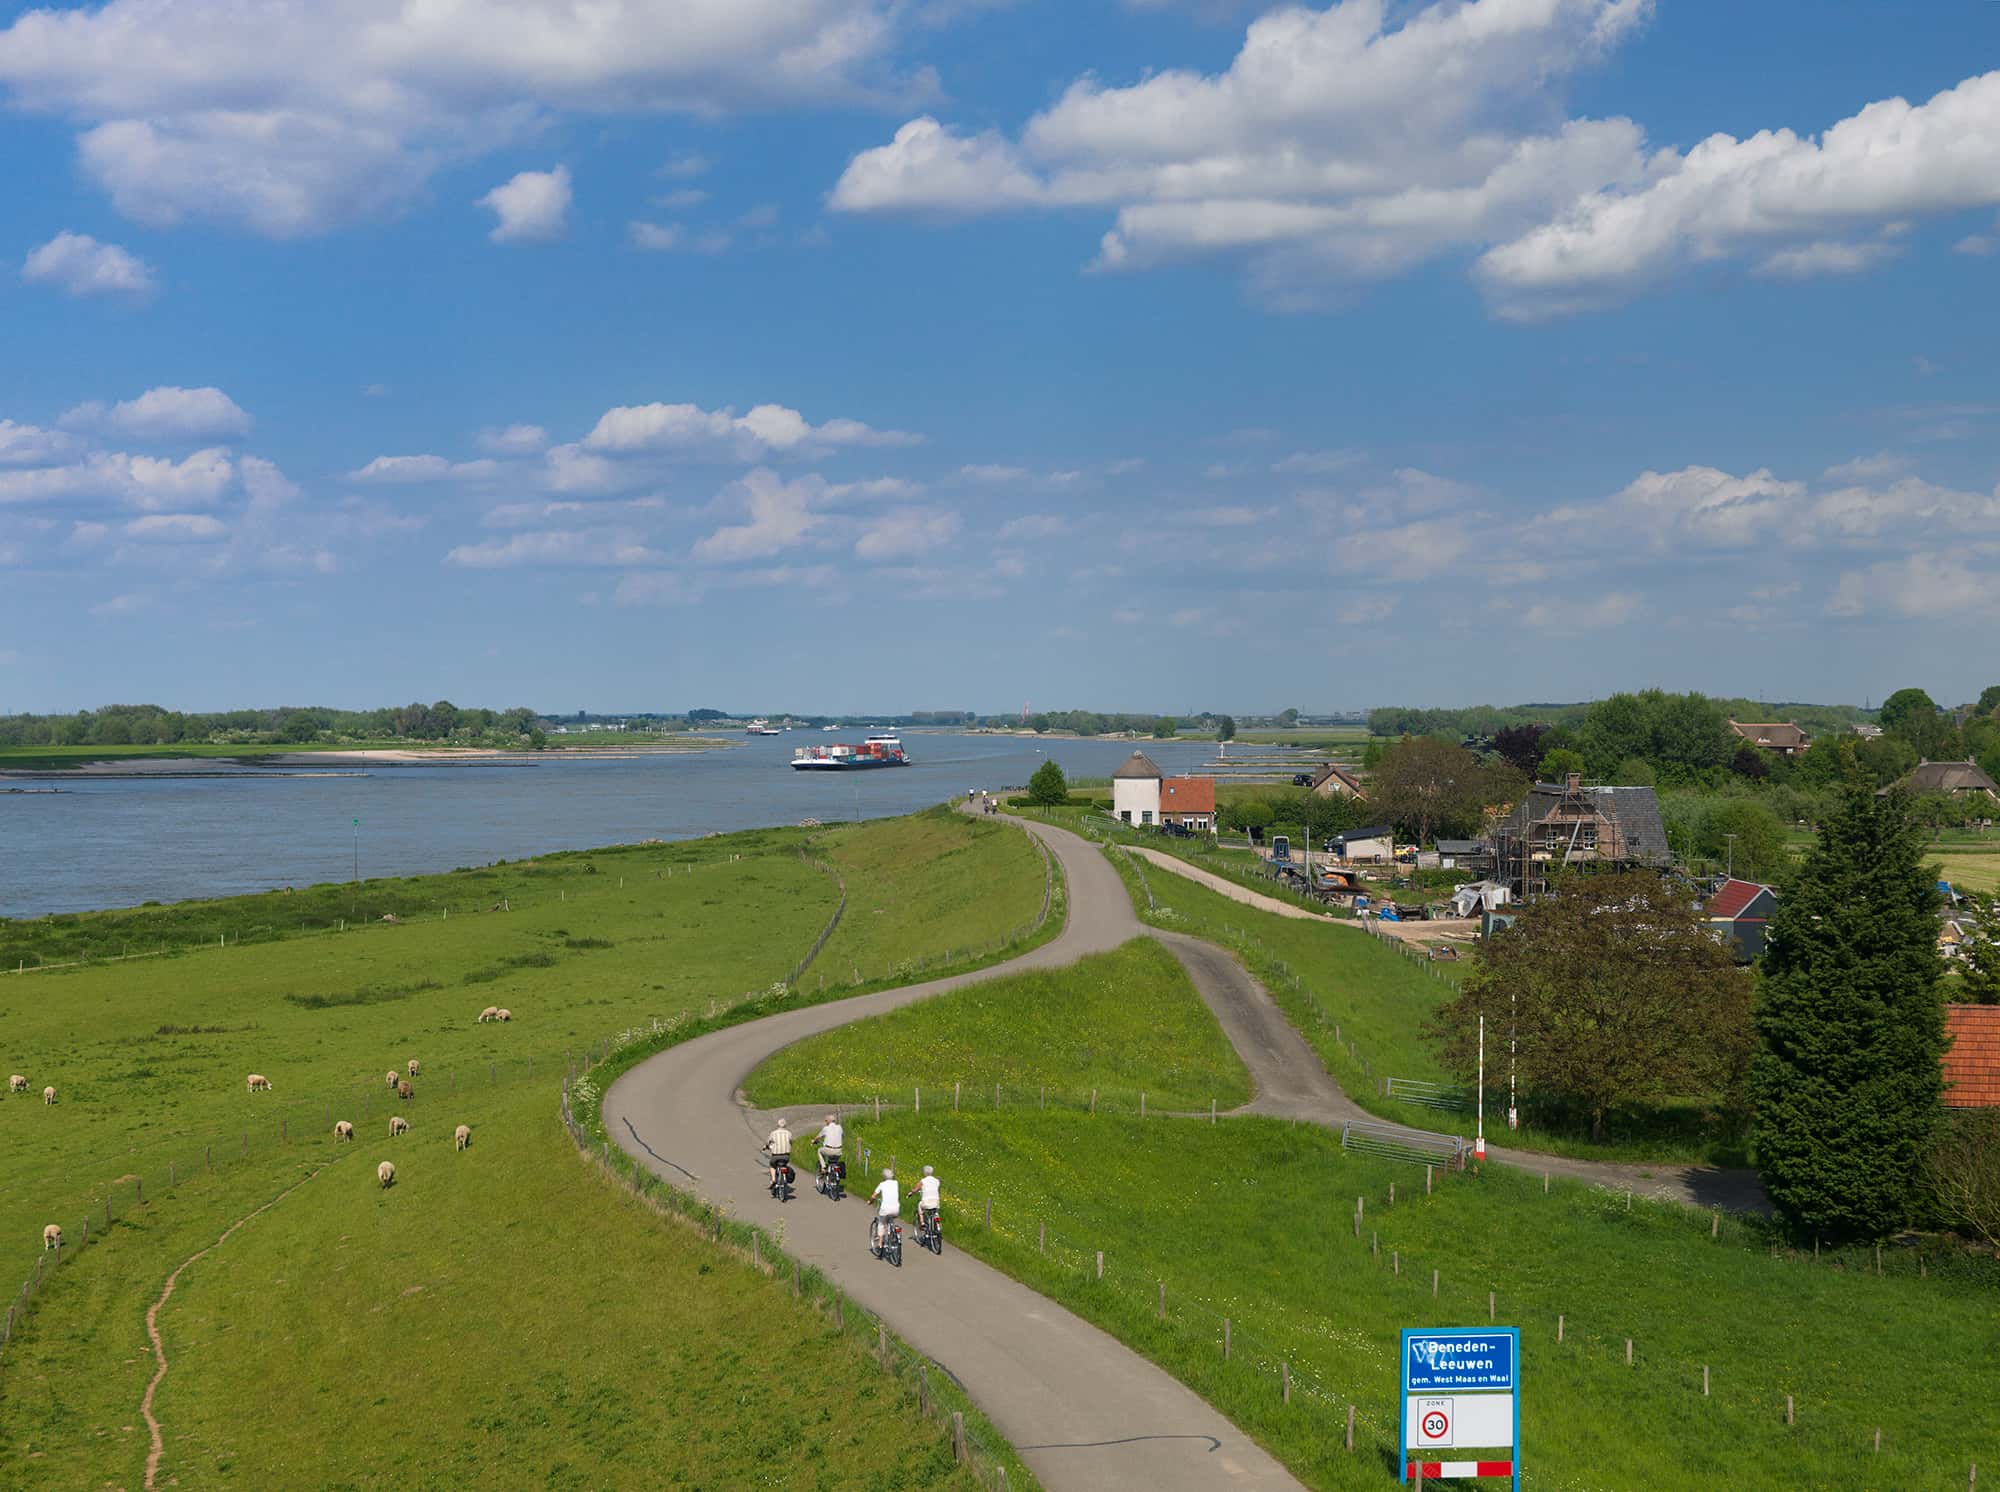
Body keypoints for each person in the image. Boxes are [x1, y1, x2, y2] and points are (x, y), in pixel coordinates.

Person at [869, 1167, 900, 1252]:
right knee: (891, 1221)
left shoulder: (882, 1184)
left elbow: (873, 1196)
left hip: (885, 1209)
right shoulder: (896, 1183)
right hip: (896, 1209)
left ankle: (880, 1244)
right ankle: (891, 1235)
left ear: (883, 1176)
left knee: (881, 1223)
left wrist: (870, 1201)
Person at [763, 1116, 794, 1193]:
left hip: (776, 1156)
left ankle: (773, 1179)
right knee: (784, 1165)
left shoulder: (773, 1133)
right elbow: (791, 1142)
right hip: (786, 1156)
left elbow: (768, 1143)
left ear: (778, 1125)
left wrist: (765, 1147)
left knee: (772, 1165)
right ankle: (784, 1178)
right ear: (785, 1125)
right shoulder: (789, 1133)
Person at [813, 1113, 844, 1182]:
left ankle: (823, 1167)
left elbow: (818, 1137)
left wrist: (814, 1141)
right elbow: (842, 1135)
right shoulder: (840, 1127)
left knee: (819, 1151)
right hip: (839, 1151)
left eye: (826, 1121)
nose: (825, 1122)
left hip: (828, 1150)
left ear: (829, 1121)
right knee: (835, 1161)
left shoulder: (826, 1128)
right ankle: (835, 1174)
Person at [916, 1163, 942, 1238]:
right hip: (936, 1202)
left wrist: (911, 1192)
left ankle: (922, 1222)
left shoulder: (923, 1181)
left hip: (926, 1203)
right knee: (935, 1212)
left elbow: (916, 1189)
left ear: (924, 1172)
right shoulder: (937, 1181)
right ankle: (937, 1226)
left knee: (920, 1205)